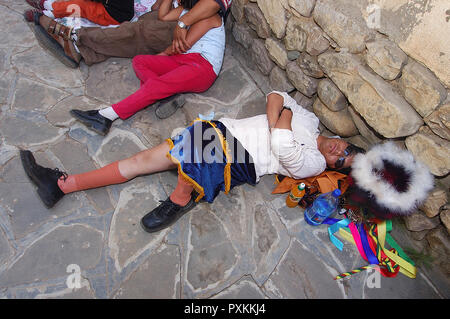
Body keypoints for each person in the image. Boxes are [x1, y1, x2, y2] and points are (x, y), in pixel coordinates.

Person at [20, 91, 364, 233]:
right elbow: (277, 95)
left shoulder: (313, 167)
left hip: (243, 160)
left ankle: (178, 200)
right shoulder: (313, 123)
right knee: (142, 159)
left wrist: (278, 120)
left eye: (343, 161)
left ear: (335, 170)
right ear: (347, 141)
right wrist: (282, 117)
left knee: (200, 150)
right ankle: (64, 185)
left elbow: (281, 140)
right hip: (224, 129)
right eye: (348, 148)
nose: (340, 151)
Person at [69, 0, 226, 132]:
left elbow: (183, 45)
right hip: (185, 60)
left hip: (203, 67)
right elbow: (163, 16)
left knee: (158, 84)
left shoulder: (210, 16)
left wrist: (163, 54)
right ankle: (167, 96)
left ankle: (106, 116)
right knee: (140, 61)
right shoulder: (187, 11)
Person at [25, 0, 232, 67]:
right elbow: (162, 14)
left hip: (190, 36)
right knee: (132, 31)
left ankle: (72, 36)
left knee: (137, 32)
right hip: (175, 22)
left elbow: (212, 4)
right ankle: (80, 50)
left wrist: (182, 23)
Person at [24, 0, 134, 26]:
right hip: (109, 6)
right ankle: (49, 5)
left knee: (80, 6)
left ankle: (46, 14)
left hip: (113, 16)